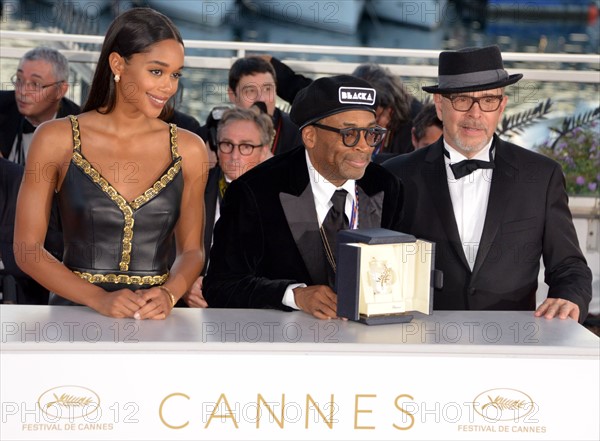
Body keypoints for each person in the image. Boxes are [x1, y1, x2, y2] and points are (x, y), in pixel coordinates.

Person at [14, 7, 208, 319]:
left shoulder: (190, 149)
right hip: (74, 318)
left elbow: (192, 251)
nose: (168, 87)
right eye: (157, 72)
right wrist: (98, 299)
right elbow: (27, 250)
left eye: (175, 74)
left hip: (155, 322)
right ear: (117, 63)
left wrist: (170, 294)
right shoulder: (55, 138)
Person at [383, 45, 592, 323]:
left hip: (511, 342)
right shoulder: (396, 175)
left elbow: (569, 267)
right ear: (440, 106)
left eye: (488, 100)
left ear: (502, 106)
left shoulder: (541, 176)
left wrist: (569, 298)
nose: (475, 113)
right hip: (423, 340)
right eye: (462, 100)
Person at [203, 75, 403, 319]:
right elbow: (220, 287)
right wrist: (293, 295)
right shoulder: (254, 192)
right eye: (350, 133)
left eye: (371, 133)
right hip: (285, 348)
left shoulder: (387, 185)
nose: (364, 146)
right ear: (310, 136)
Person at [182, 106, 274, 308]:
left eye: (246, 146)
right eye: (227, 145)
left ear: (265, 150)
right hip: (196, 311)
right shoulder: (190, 187)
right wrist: (184, 284)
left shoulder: (284, 197)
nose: (235, 155)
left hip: (258, 312)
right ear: (216, 146)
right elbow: (165, 251)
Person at [266, 57, 423, 162]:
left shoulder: (415, 125)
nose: (370, 123)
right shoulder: (338, 104)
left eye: (376, 115)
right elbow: (305, 92)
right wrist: (271, 65)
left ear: (391, 108)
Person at [0, 47, 81, 164]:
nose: (22, 91)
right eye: (19, 79)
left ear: (60, 90)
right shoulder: (3, 105)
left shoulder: (79, 128)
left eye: (35, 84)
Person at [226, 56, 302, 155]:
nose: (261, 99)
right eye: (251, 91)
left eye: (267, 89)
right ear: (232, 95)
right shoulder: (215, 133)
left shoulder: (297, 134)